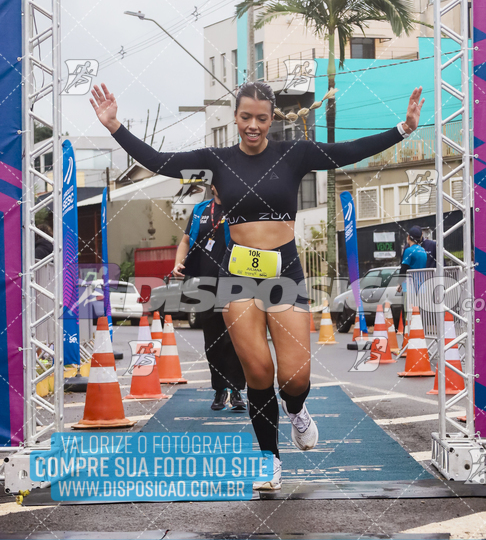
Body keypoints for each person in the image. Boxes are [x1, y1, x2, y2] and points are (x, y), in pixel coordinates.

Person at [91, 80, 425, 490]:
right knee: (258, 372)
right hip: (238, 277)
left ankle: (298, 411)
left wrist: (404, 129)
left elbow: (347, 153)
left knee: (295, 377)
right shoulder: (215, 160)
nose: (253, 125)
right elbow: (160, 161)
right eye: (246, 117)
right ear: (235, 117)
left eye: (261, 118)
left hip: (284, 273)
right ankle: (269, 459)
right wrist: (114, 127)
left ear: (272, 120)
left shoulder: (294, 153)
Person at [173, 184, 247, 413]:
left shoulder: (240, 207)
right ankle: (219, 390)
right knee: (213, 341)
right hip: (204, 283)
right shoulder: (200, 210)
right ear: (213, 186)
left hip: (234, 281)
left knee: (234, 340)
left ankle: (237, 390)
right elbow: (185, 240)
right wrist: (178, 262)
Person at [397, 225, 428, 327]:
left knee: (407, 312)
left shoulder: (408, 251)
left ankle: (408, 337)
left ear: (408, 237)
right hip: (422, 286)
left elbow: (404, 268)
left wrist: (399, 283)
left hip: (409, 287)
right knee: (418, 312)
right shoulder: (423, 251)